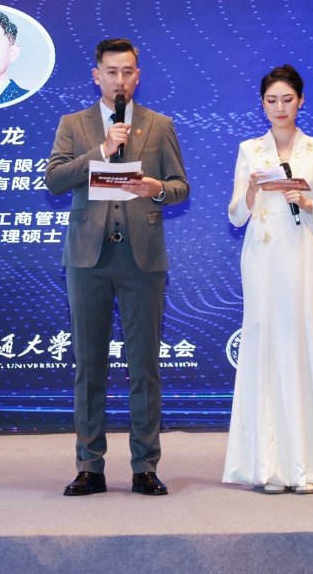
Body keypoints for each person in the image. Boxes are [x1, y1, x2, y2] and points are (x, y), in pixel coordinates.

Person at [45, 38, 190, 497]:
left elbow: (181, 186)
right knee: (89, 367)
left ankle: (145, 466)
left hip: (141, 258)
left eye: (128, 71)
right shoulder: (73, 124)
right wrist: (102, 151)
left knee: (144, 366)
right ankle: (90, 467)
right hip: (87, 258)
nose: (120, 80)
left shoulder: (159, 125)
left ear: (138, 75)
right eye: (111, 72)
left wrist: (156, 188)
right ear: (96, 76)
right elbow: (54, 179)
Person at [222, 64, 313, 494]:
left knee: (303, 345)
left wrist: (311, 204)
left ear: (301, 101)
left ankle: (306, 466)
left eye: (287, 99)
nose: (280, 107)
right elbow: (235, 216)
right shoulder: (249, 150)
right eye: (271, 100)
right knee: (265, 346)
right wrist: (252, 190)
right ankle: (268, 466)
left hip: (304, 255)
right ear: (262, 104)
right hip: (262, 256)